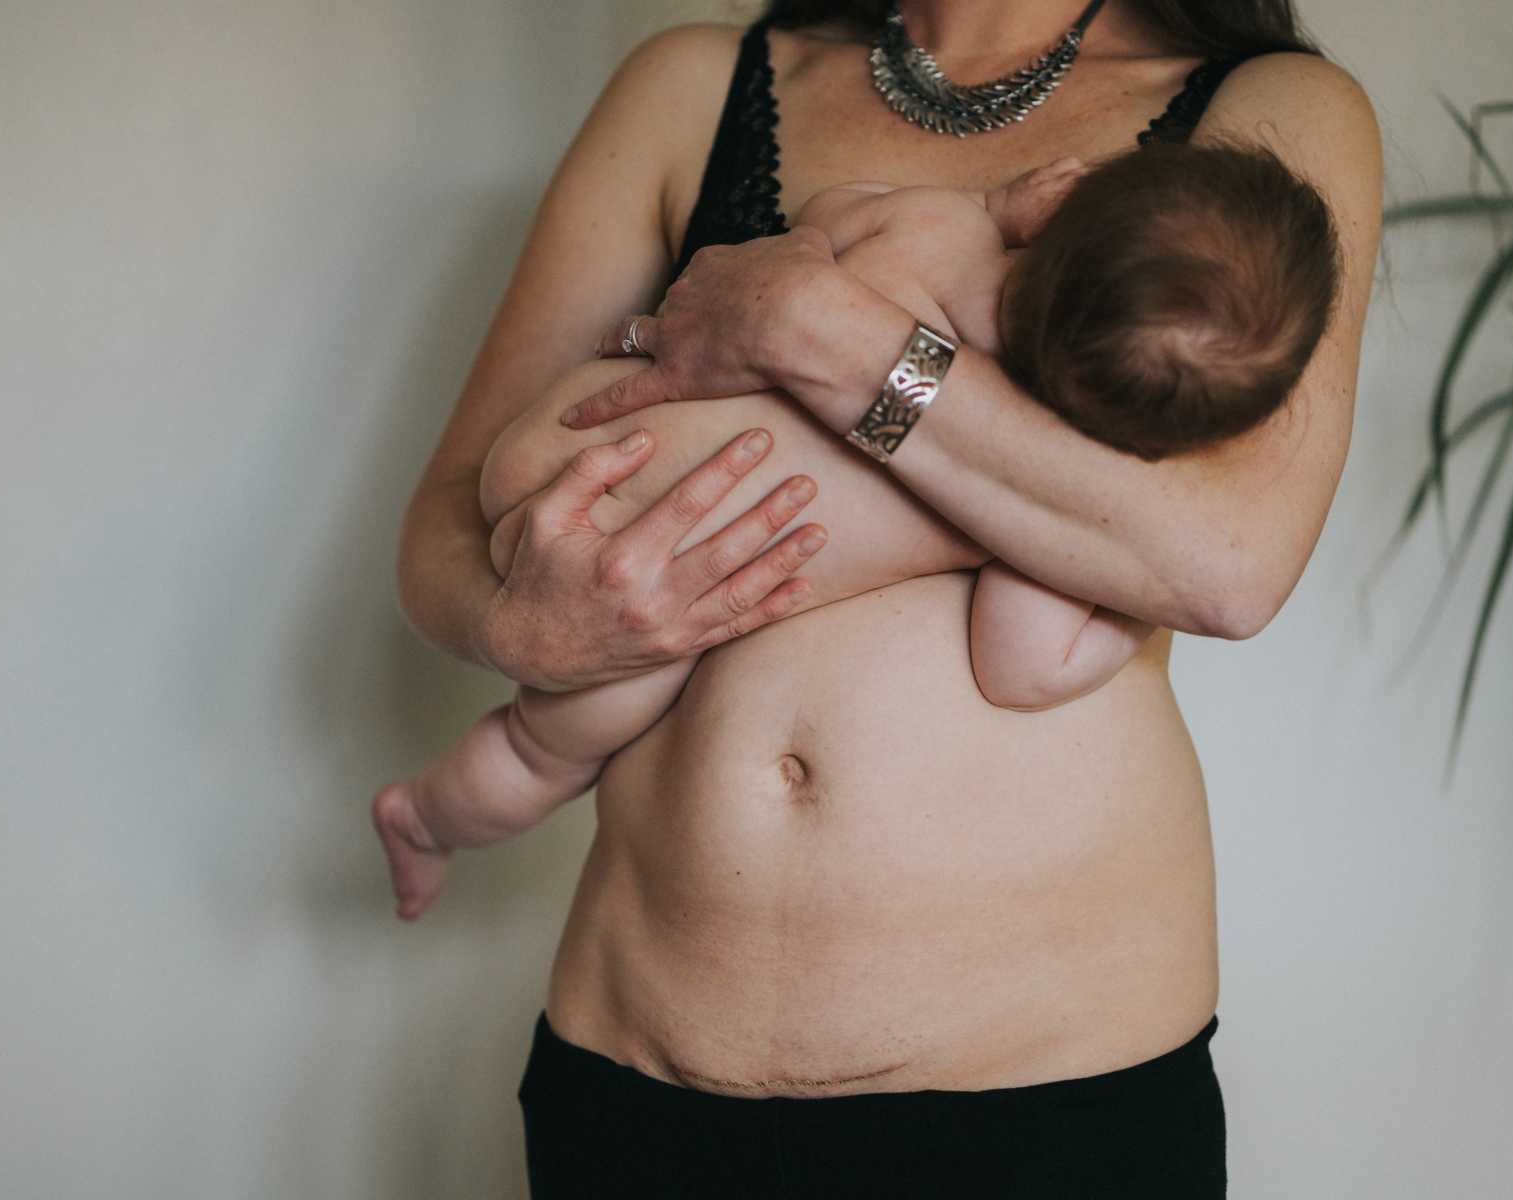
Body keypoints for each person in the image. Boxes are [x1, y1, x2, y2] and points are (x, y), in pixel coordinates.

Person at [391, 1, 1381, 1194]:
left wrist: (811, 327)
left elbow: (1225, 561)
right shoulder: (694, 85)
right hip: (636, 1070)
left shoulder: (1268, 110)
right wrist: (519, 627)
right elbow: (450, 520)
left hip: (1046, 1103)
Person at [373, 139, 1340, 923]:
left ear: (1068, 199)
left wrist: (993, 207)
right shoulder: (1041, 500)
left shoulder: (933, 230)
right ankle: (425, 819)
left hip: (566, 442)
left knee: (552, 733)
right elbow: (1018, 666)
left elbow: (826, 218)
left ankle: (426, 814)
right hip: (633, 581)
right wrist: (1120, 604)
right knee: (538, 755)